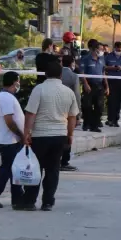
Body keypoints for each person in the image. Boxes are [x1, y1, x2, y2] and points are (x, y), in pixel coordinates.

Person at [21, 56, 80, 212]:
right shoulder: (68, 92)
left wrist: (26, 133)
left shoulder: (39, 89)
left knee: (36, 169)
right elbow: (72, 116)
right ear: (61, 75)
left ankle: (29, 201)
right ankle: (48, 202)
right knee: (53, 170)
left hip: (40, 136)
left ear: (45, 74)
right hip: (60, 135)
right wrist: (70, 134)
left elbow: (30, 114)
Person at [0, 72, 26, 209]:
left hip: (11, 140)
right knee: (6, 170)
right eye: (18, 82)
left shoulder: (7, 97)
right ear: (14, 82)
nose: (18, 85)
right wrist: (21, 135)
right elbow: (9, 121)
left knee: (13, 170)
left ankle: (17, 198)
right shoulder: (6, 98)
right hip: (8, 141)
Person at [78, 40, 107, 133]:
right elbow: (82, 72)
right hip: (89, 85)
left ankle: (95, 125)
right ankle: (86, 124)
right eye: (100, 49)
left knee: (99, 106)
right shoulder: (86, 59)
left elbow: (103, 73)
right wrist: (85, 84)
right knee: (87, 105)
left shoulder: (102, 59)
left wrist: (107, 86)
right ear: (95, 49)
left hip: (99, 85)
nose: (102, 51)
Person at [59, 54, 81, 172]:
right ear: (72, 63)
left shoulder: (57, 74)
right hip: (69, 110)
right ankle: (64, 161)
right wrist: (78, 114)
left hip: (56, 108)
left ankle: (55, 160)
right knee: (68, 135)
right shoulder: (73, 76)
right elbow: (77, 95)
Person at [104, 41, 121, 127]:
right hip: (111, 80)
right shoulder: (109, 56)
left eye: (120, 49)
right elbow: (104, 67)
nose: (118, 50)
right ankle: (110, 119)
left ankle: (115, 119)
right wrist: (112, 68)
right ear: (114, 48)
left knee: (118, 100)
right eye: (117, 49)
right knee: (111, 100)